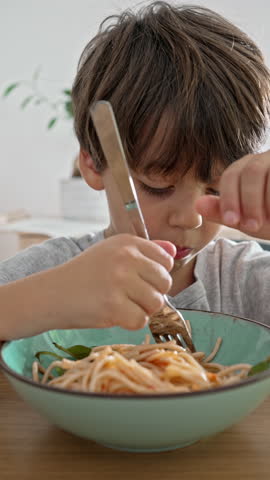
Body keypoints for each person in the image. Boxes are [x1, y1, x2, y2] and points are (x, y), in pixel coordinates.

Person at [1, 1, 270, 341]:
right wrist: (44, 300)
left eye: (215, 188)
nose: (191, 219)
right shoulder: (54, 270)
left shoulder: (245, 278)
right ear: (93, 163)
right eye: (158, 186)